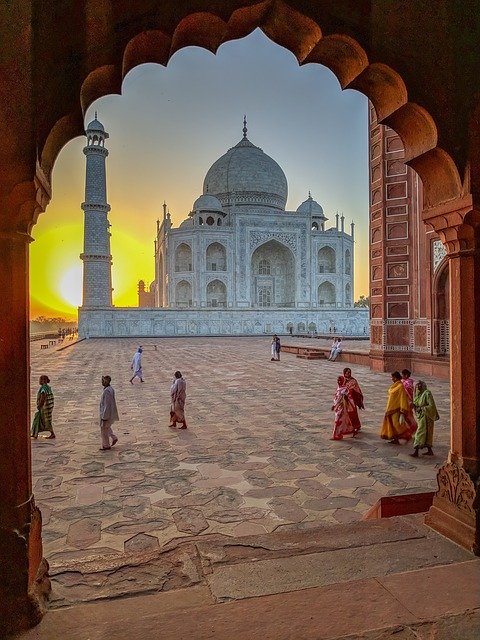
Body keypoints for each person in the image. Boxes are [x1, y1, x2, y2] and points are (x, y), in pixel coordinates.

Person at [380, 371, 413, 444]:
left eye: (392, 377)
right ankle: (395, 439)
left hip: (397, 409)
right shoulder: (394, 385)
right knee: (391, 424)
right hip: (390, 408)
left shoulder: (400, 386)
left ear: (395, 378)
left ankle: (406, 435)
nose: (391, 378)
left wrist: (402, 410)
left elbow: (403, 398)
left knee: (396, 425)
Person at [410, 380, 439, 457]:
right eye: (417, 386)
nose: (418, 387)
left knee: (420, 432)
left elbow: (431, 406)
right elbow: (416, 403)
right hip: (421, 416)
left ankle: (416, 451)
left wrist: (422, 408)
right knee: (426, 433)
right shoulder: (417, 394)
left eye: (419, 386)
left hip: (427, 416)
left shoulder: (427, 393)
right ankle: (429, 450)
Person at [331, 375, 355, 440]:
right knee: (342, 421)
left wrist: (335, 405)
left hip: (341, 407)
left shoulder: (344, 389)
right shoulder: (339, 388)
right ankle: (349, 431)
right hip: (338, 407)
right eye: (338, 380)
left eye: (340, 380)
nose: (338, 382)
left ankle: (335, 435)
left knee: (338, 421)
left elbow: (341, 398)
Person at [99, 375, 119, 450]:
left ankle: (106, 445)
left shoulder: (107, 391)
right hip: (107, 412)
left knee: (104, 429)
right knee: (107, 427)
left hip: (106, 413)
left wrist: (105, 416)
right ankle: (114, 437)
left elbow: (107, 405)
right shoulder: (110, 389)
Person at [343, 367, 364, 435]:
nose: (349, 374)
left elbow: (357, 390)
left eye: (350, 372)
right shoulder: (342, 380)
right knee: (345, 413)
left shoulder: (353, 380)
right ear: (344, 373)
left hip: (351, 399)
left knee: (353, 413)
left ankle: (355, 425)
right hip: (344, 400)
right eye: (347, 372)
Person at [401, 369, 417, 433]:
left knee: (408, 415)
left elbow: (409, 392)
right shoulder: (403, 381)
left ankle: (413, 427)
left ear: (406, 375)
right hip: (403, 401)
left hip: (408, 401)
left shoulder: (408, 383)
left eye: (403, 375)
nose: (402, 376)